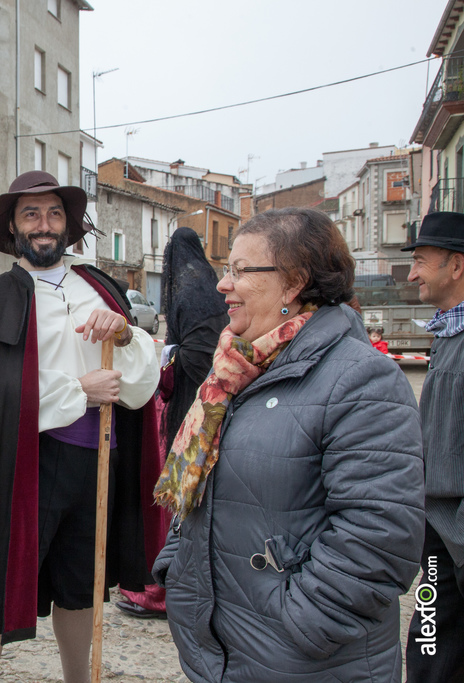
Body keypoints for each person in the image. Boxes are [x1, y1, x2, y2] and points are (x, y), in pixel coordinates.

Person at [152, 207, 425, 682]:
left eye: (241, 270)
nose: (222, 284)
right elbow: (203, 497)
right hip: (219, 653)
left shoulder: (362, 378)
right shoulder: (234, 370)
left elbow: (380, 535)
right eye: (226, 269)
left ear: (294, 283)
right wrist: (177, 572)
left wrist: (298, 623)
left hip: (305, 662)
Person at [0, 170, 159, 683]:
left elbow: (144, 377)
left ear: (68, 224)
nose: (44, 224)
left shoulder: (100, 287)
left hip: (95, 458)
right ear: (13, 227)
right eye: (31, 214)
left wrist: (122, 334)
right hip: (19, 464)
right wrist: (81, 390)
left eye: (54, 213)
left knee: (81, 586)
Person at [116, 226, 228, 620]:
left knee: (175, 480)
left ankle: (161, 589)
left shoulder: (185, 285)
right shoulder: (209, 281)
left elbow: (187, 342)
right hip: (210, 385)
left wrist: (173, 364)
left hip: (188, 393)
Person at [404, 211, 464, 682]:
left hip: (455, 529)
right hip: (437, 535)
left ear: (456, 266)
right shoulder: (449, 332)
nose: (412, 273)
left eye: (422, 260)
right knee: (429, 644)